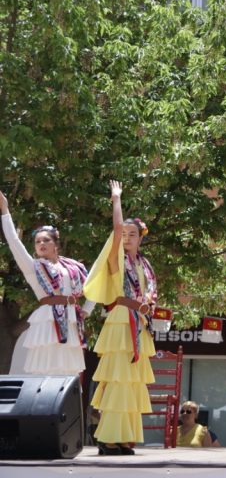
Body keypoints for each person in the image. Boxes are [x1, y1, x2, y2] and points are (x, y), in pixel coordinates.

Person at [85, 181, 156, 456]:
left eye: (132, 234)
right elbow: (115, 232)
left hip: (139, 324)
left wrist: (148, 306)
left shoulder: (144, 264)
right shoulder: (117, 259)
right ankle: (108, 437)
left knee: (131, 384)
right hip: (120, 322)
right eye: (124, 234)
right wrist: (116, 199)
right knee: (118, 381)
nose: (126, 237)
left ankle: (124, 437)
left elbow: (150, 292)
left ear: (141, 237)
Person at [0, 190, 94, 375]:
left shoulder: (73, 267)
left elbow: (94, 287)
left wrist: (87, 310)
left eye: (46, 240)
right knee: (45, 369)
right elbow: (13, 241)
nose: (41, 244)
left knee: (69, 371)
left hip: (72, 319)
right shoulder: (33, 267)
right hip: (47, 320)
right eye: (37, 241)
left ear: (56, 244)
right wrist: (5, 211)